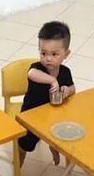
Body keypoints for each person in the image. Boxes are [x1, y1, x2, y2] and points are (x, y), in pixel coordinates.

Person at [18, 21, 75, 167]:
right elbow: (31, 73)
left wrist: (67, 90)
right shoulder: (37, 68)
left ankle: (54, 147)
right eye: (43, 53)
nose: (48, 58)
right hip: (31, 115)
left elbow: (72, 87)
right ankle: (18, 162)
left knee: (60, 134)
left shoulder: (65, 72)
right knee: (24, 144)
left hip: (54, 115)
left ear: (66, 54)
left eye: (54, 54)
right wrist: (52, 80)